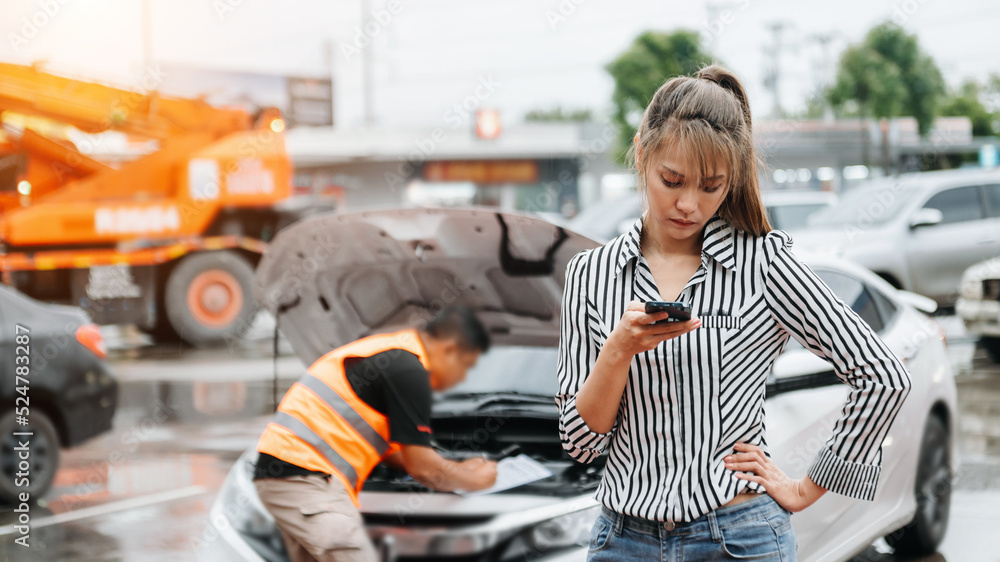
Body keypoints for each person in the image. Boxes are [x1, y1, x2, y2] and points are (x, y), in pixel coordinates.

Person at [555, 64, 912, 561]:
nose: (688, 204)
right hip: (623, 543)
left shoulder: (763, 262)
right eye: (671, 180)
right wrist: (618, 350)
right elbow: (579, 441)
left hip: (738, 539)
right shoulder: (590, 275)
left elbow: (881, 375)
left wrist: (808, 487)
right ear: (641, 153)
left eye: (711, 186)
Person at [253, 305, 499, 562]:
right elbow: (423, 470)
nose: (461, 378)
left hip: (287, 477)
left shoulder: (392, 355)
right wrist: (478, 480)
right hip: (305, 480)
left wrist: (458, 468)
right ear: (450, 349)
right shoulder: (409, 371)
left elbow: (397, 455)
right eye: (466, 366)